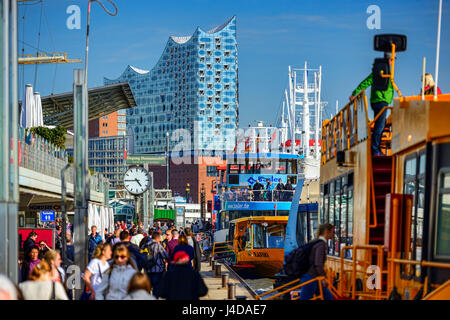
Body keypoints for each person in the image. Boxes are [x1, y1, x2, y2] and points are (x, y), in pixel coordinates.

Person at [350, 51, 394, 157]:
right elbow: (367, 82)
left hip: (381, 101)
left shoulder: (386, 70)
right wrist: (355, 93)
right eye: (392, 59)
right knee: (379, 126)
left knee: (380, 125)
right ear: (389, 59)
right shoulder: (382, 70)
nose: (393, 62)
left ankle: (376, 149)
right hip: (380, 101)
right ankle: (375, 150)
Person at [299, 223, 335, 300]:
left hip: (310, 276)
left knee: (328, 297)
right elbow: (318, 263)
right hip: (311, 277)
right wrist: (324, 277)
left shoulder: (315, 241)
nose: (333, 234)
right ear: (326, 231)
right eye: (332, 232)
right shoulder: (321, 244)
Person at [144, 232, 169, 298]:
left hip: (147, 269)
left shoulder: (145, 245)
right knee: (156, 289)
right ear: (158, 238)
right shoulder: (157, 245)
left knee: (148, 288)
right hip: (157, 270)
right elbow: (165, 255)